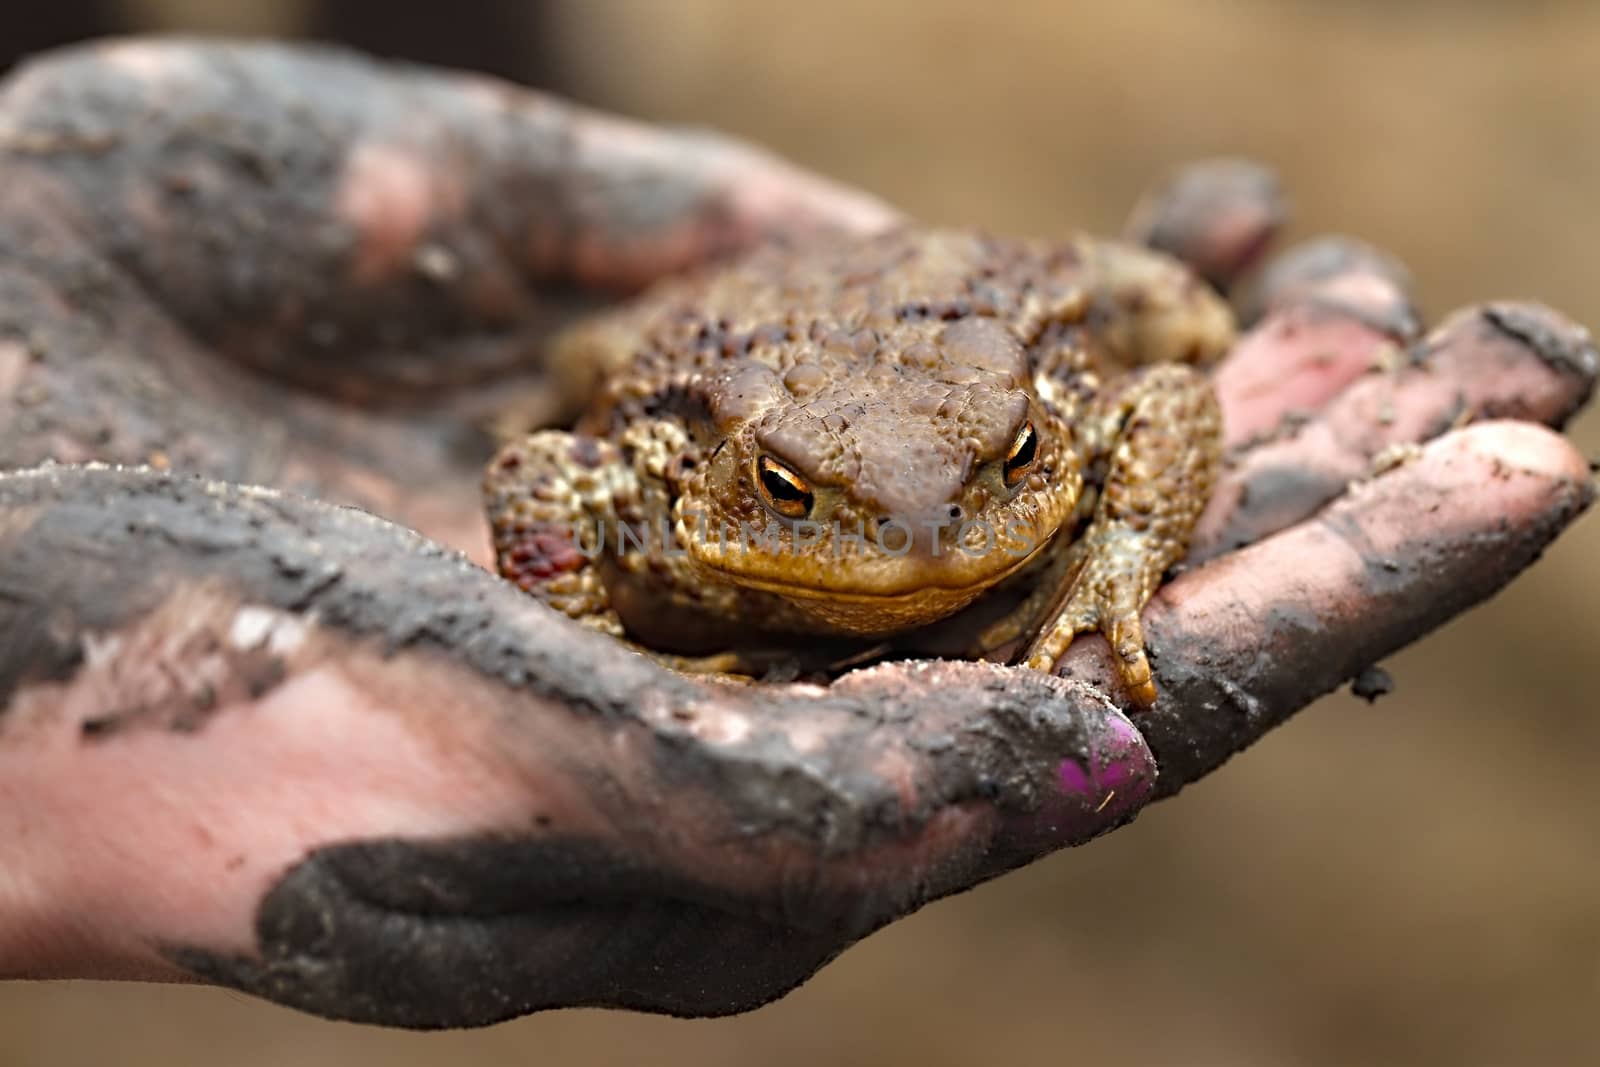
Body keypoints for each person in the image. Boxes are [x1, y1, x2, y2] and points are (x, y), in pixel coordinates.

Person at [0, 38, 1591, 1030]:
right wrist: (589, 629)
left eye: (1004, 478)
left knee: (1170, 309)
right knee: (593, 360)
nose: (915, 546)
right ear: (722, 484)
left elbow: (1168, 401)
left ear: (1033, 438)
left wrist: (1116, 555)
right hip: (738, 353)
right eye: (801, 507)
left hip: (947, 336)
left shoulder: (1045, 416)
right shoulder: (667, 470)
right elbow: (551, 465)